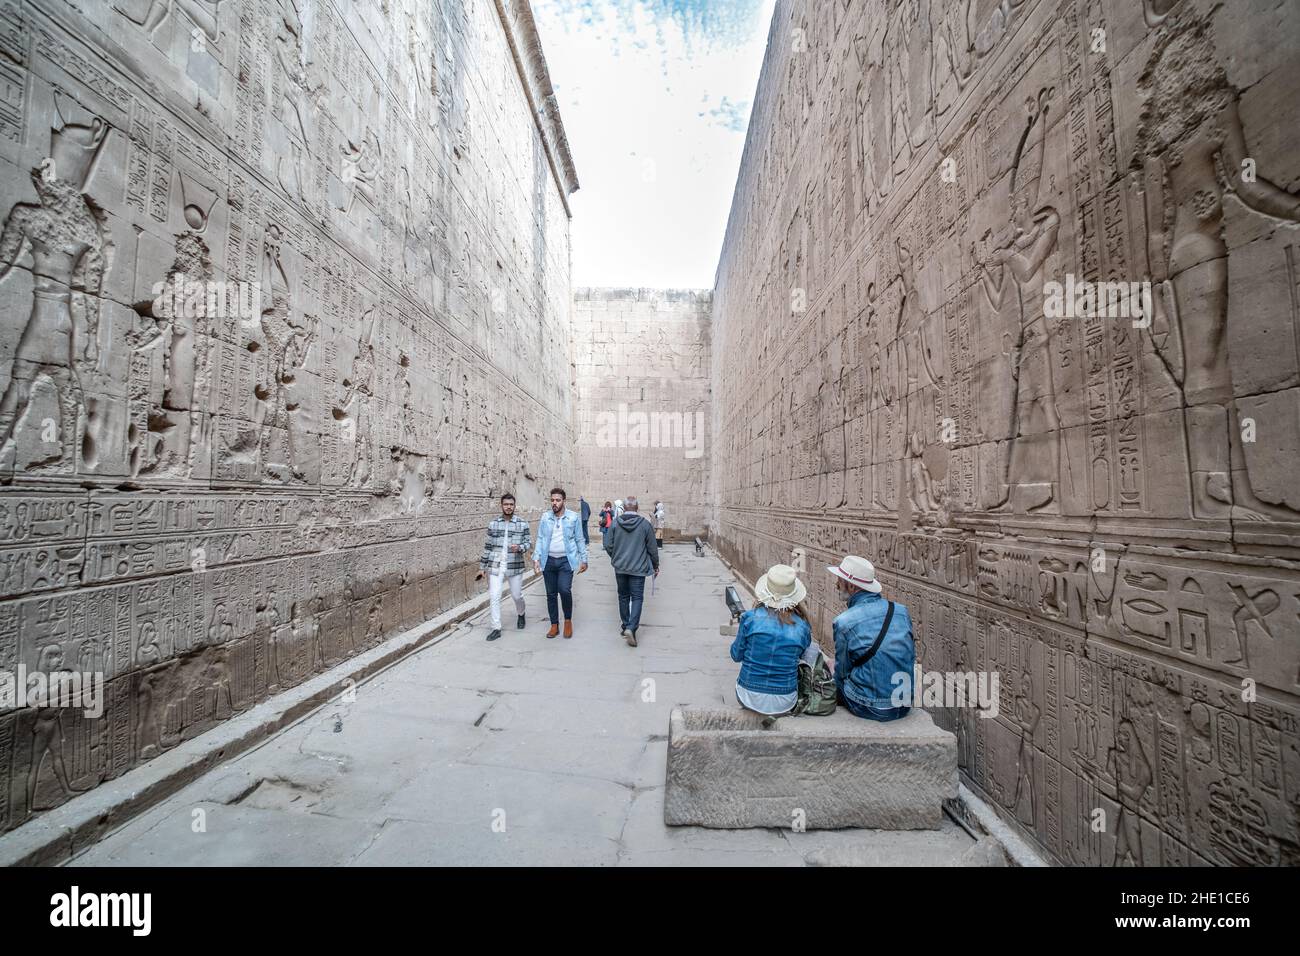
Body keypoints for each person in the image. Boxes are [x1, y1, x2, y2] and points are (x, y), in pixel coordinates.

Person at [827, 555, 915, 721]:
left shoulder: (844, 622)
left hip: (870, 706)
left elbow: (842, 674)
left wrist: (831, 671)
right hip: (904, 703)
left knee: (830, 667)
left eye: (839, 581)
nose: (836, 585)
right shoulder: (901, 611)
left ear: (851, 586)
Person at [729, 565, 820, 719]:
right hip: (785, 701)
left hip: (748, 695)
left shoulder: (749, 618)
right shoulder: (803, 627)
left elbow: (736, 655)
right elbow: (805, 657)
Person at [532, 487, 588, 638]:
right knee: (550, 594)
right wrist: (536, 558)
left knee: (564, 590)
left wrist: (584, 558)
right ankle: (554, 625)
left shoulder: (573, 517)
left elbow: (579, 539)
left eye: (557, 500)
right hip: (548, 561)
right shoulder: (545, 517)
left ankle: (568, 621)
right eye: (552, 500)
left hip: (566, 561)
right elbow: (540, 538)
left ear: (563, 501)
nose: (554, 503)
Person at [475, 493, 531, 642]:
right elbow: (487, 547)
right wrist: (482, 567)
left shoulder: (522, 523)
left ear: (514, 506)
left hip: (514, 564)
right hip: (495, 564)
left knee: (516, 595)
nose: (508, 507)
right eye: (506, 504)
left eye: (511, 504)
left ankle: (521, 613)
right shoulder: (493, 524)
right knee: (494, 595)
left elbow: (528, 543)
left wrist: (519, 547)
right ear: (501, 505)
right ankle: (496, 628)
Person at [608, 497, 659, 646]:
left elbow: (608, 544)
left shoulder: (616, 523)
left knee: (623, 596)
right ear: (637, 508)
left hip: (620, 568)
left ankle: (625, 626)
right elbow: (652, 548)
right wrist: (656, 565)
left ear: (624, 507)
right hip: (638, 569)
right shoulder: (645, 525)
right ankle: (632, 628)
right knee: (637, 598)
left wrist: (616, 557)